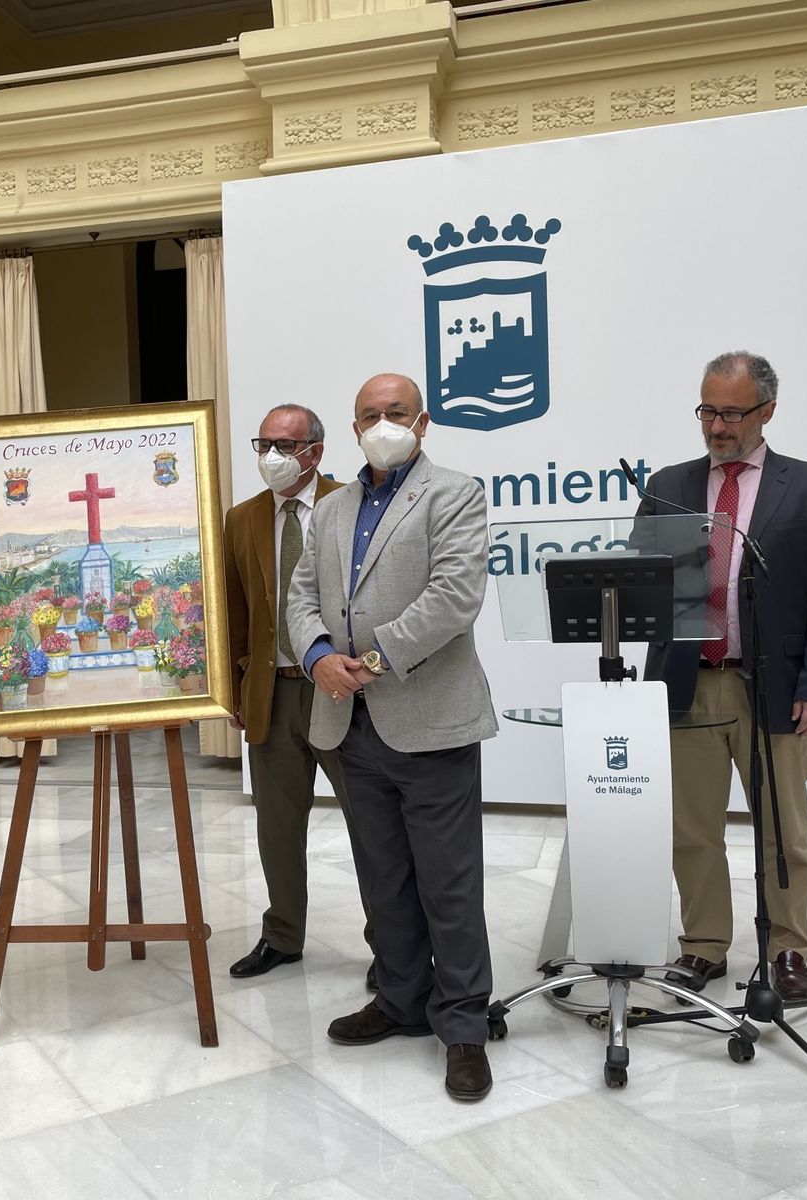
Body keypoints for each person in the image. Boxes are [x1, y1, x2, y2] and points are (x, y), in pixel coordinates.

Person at [286, 373, 499, 1102]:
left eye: (397, 412)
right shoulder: (331, 508)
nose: (383, 424)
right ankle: (403, 999)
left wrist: (370, 662)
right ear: (353, 429)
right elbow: (301, 596)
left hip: (430, 719)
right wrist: (319, 657)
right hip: (352, 724)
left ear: (423, 422)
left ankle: (464, 1024)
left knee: (449, 883)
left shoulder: (454, 494)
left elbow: (454, 597)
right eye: (370, 415)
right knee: (383, 878)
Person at [636, 351, 807, 1003]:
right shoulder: (667, 485)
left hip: (776, 686)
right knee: (691, 828)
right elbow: (640, 587)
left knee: (783, 831)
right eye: (707, 411)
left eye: (731, 413)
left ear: (768, 411)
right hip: (687, 683)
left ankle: (787, 950)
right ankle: (703, 945)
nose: (716, 426)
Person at [223, 405, 375, 986]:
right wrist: (237, 688)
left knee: (371, 825)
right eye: (263, 444)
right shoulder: (242, 519)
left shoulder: (352, 504)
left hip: (341, 692)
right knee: (277, 827)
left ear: (315, 450)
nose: (272, 457)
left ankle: (391, 944)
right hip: (273, 693)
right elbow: (236, 613)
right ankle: (283, 936)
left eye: (285, 446)